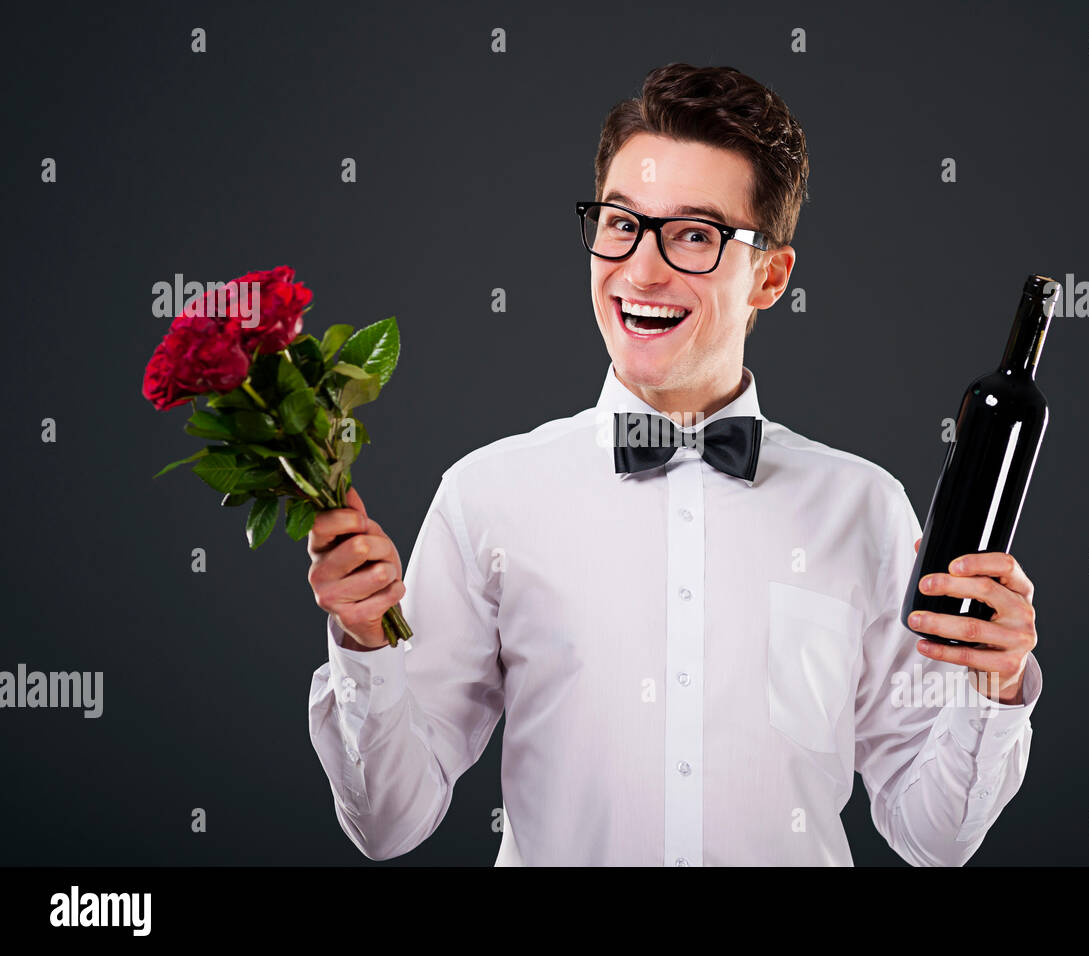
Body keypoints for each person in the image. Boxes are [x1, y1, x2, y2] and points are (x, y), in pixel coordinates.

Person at [305, 62, 1041, 866]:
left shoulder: (864, 508)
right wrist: (364, 645)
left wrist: (992, 687)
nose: (642, 271)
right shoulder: (487, 498)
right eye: (622, 223)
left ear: (770, 275)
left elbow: (934, 838)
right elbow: (386, 825)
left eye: (696, 234)